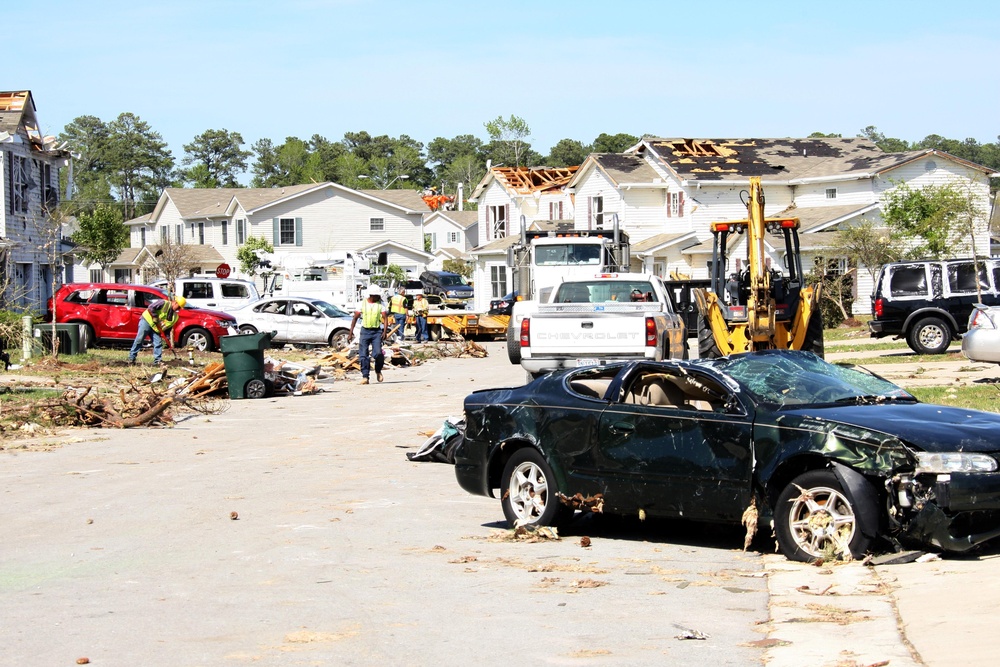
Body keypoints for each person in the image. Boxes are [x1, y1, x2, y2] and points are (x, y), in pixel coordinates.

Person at [128, 295, 187, 365]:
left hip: (156, 328)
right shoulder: (163, 303)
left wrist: (167, 338)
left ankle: (157, 361)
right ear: (175, 302)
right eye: (179, 307)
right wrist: (155, 316)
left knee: (158, 343)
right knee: (139, 340)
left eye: (180, 308)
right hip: (147, 321)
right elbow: (151, 307)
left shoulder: (175, 317)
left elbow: (168, 327)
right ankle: (131, 358)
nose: (179, 309)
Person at [348, 286, 389, 384]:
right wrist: (350, 333)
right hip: (365, 331)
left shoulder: (381, 304)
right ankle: (365, 376)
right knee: (363, 355)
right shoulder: (362, 304)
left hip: (376, 332)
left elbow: (385, 318)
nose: (379, 297)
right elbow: (355, 318)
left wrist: (384, 331)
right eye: (377, 296)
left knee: (378, 353)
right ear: (372, 295)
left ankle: (378, 370)